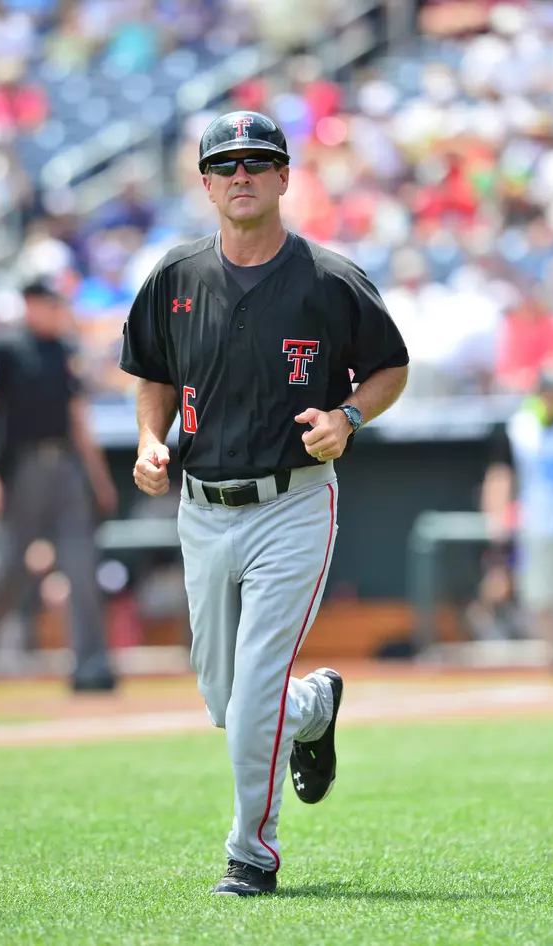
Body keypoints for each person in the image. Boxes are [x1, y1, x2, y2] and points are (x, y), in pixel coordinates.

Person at [120, 111, 409, 896]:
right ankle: (313, 706)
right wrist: (152, 438)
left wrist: (348, 417)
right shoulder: (174, 276)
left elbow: (389, 367)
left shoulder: (331, 278)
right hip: (203, 505)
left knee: (252, 696)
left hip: (293, 502)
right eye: (227, 164)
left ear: (285, 177)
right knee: (226, 697)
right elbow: (150, 371)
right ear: (207, 184)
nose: (241, 174)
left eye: (258, 161)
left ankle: (251, 853)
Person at [0, 280, 118, 692]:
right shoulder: (2, 349)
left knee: (81, 567)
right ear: (28, 303)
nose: (54, 309)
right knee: (7, 569)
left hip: (66, 470)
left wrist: (100, 479)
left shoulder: (62, 349)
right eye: (46, 302)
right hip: (19, 470)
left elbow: (78, 421)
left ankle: (90, 667)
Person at [482, 370, 553, 672]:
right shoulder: (521, 429)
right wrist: (497, 524)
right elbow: (500, 477)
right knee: (542, 596)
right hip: (538, 525)